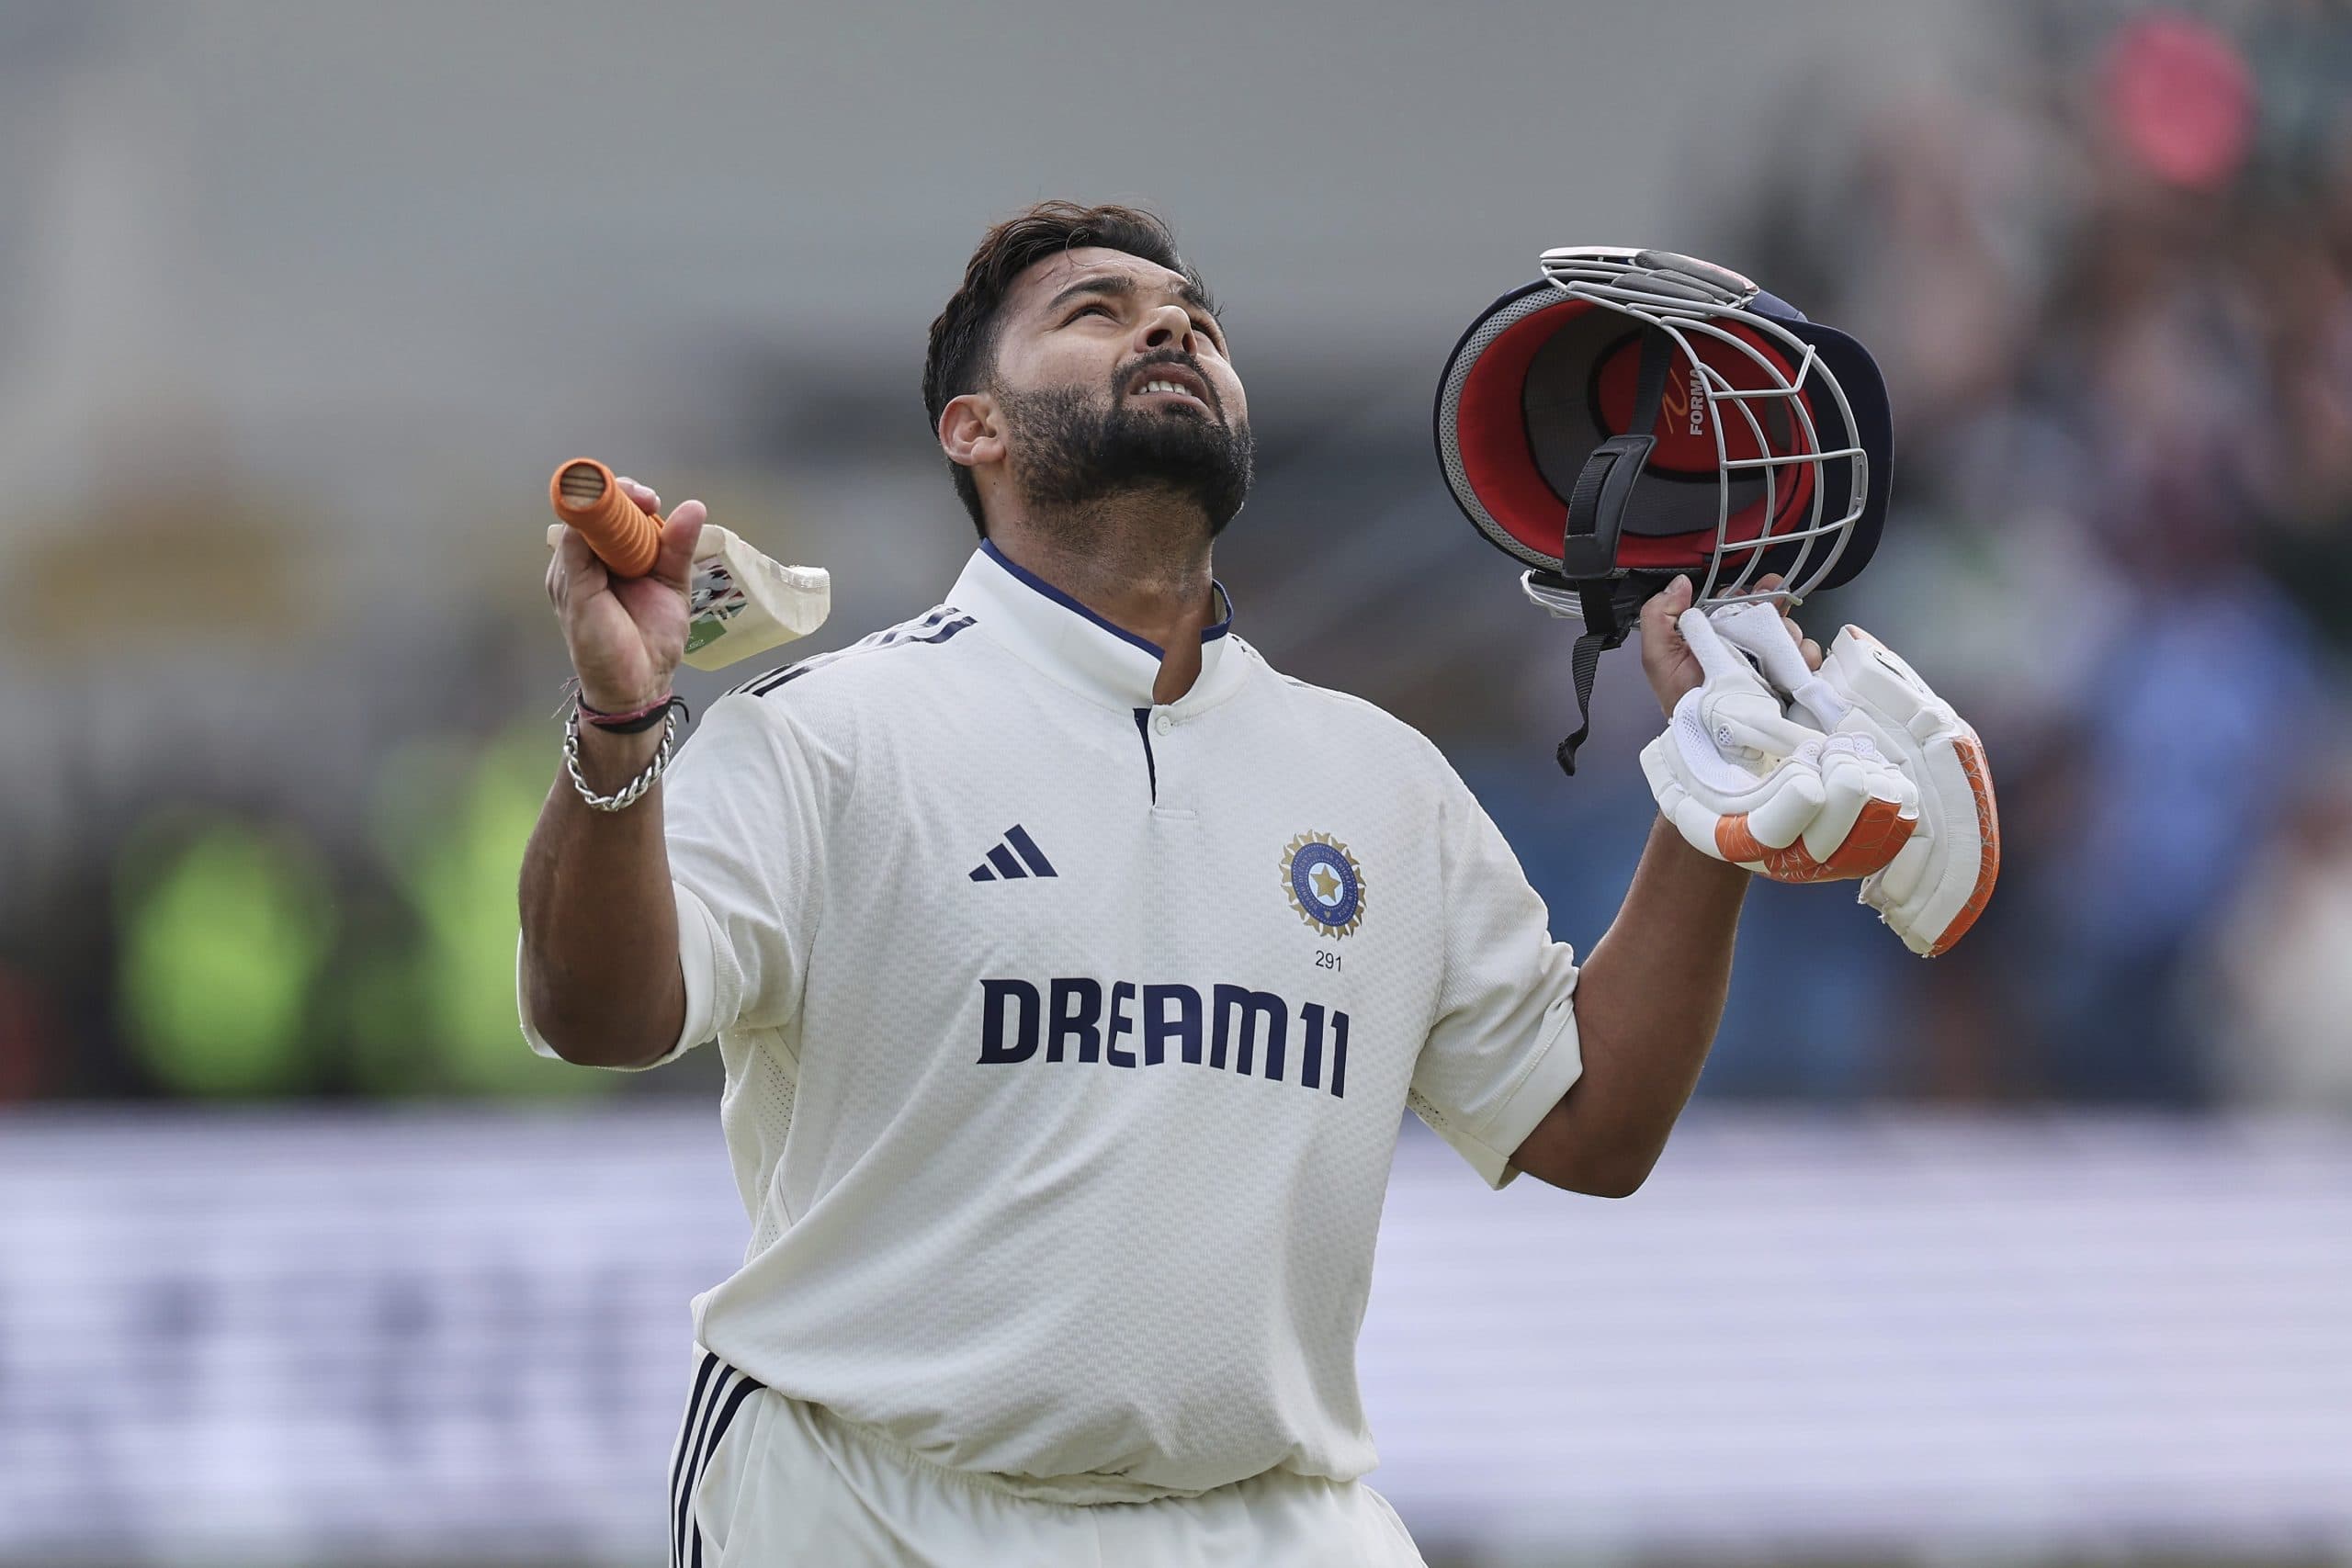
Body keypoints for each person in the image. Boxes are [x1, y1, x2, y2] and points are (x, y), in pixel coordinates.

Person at [518, 202, 1822, 1567]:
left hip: (1274, 1520)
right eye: (1096, 311)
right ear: (975, 428)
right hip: (871, 1506)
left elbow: (1591, 1128)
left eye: (1196, 318)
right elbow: (597, 1017)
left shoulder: (1384, 777)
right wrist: (619, 724)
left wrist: (1711, 793)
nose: (1170, 328)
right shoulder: (827, 731)